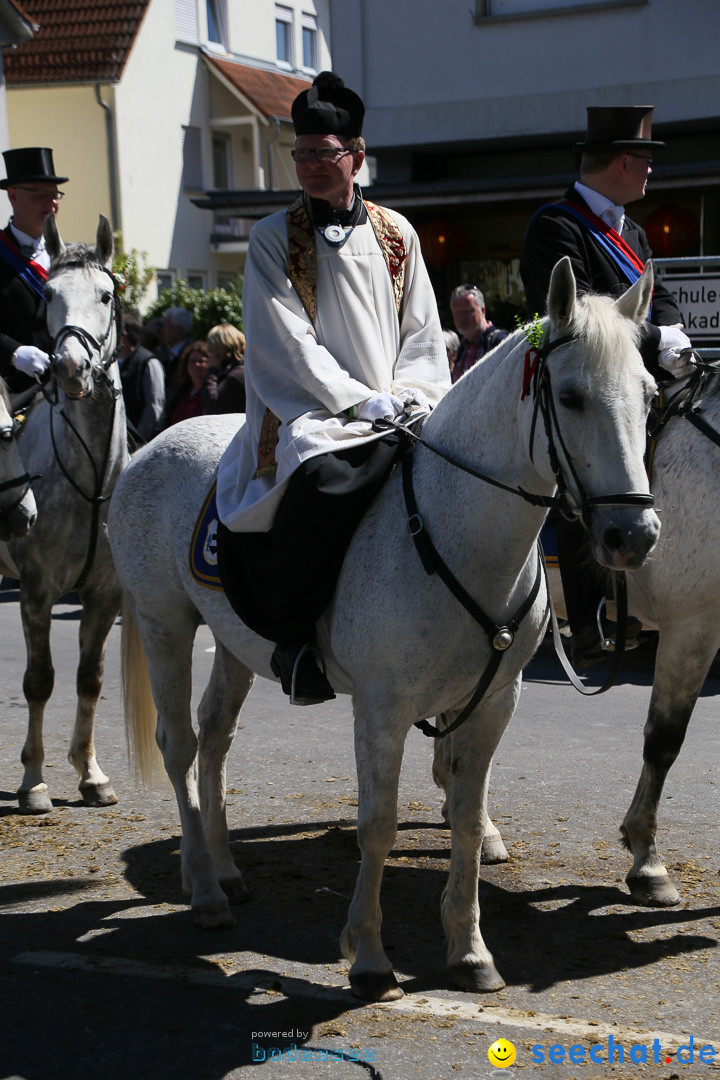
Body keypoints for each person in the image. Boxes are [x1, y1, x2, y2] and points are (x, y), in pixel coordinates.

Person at [215, 70, 450, 706]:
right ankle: (297, 641)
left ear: (358, 156)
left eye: (326, 153)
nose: (312, 165)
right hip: (314, 412)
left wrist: (409, 394)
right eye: (302, 153)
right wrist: (357, 400)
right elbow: (286, 343)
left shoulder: (399, 235)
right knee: (324, 482)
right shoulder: (272, 238)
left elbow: (423, 332)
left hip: (398, 405)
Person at [520, 106, 694, 667]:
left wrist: (672, 334)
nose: (650, 173)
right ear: (623, 161)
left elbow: (656, 297)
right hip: (581, 387)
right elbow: (584, 322)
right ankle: (589, 614)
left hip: (633, 378)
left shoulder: (633, 231)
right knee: (590, 475)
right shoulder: (557, 225)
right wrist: (653, 338)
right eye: (646, 162)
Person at [0, 147, 68, 395]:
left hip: (70, 388)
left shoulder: (68, 258)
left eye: (55, 194)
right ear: (14, 196)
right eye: (40, 194)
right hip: (13, 390)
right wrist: (13, 353)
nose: (51, 203)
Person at [117, 313, 166, 444]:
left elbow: (154, 408)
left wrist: (135, 441)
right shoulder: (111, 363)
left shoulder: (149, 363)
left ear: (124, 335)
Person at [449, 285, 508, 384]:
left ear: (483, 311)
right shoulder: (462, 347)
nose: (462, 317)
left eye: (468, 311)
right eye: (457, 313)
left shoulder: (498, 342)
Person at [201, 323, 246, 415]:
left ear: (219, 351)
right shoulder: (235, 370)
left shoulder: (238, 374)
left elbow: (212, 401)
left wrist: (212, 369)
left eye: (212, 350)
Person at [166, 341, 209, 426]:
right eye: (193, 361)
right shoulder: (180, 394)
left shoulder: (211, 393)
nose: (196, 364)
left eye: (201, 361)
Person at [159, 306, 193, 390]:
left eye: (166, 326)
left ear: (177, 328)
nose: (163, 331)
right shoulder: (161, 353)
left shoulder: (191, 354)